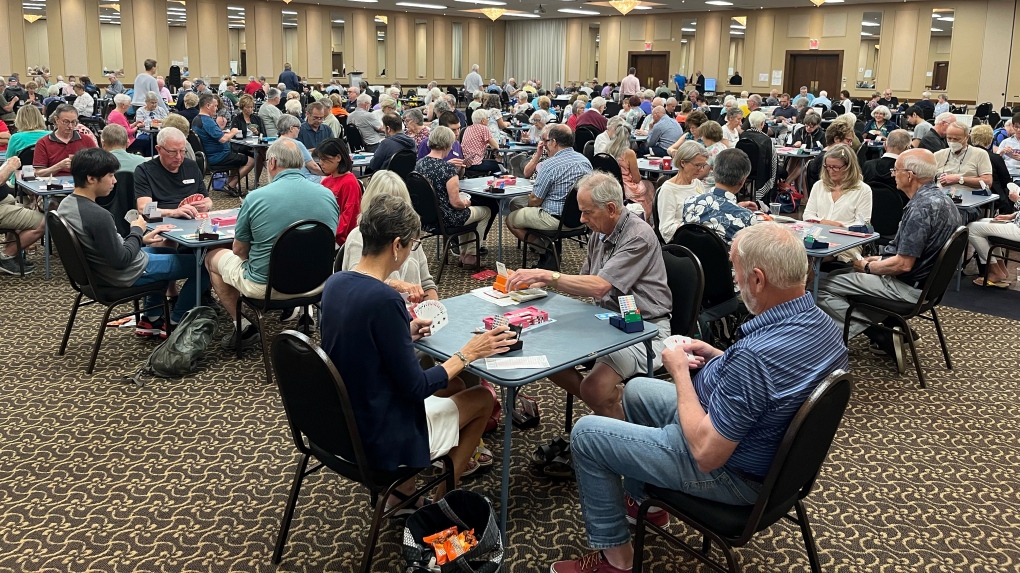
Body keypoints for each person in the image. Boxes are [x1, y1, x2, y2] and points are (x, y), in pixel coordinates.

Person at [548, 221, 849, 573]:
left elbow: (706, 454)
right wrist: (721, 357)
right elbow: (777, 385)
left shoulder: (757, 357)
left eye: (737, 274)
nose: (736, 283)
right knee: (636, 390)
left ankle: (616, 560)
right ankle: (647, 502)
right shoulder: (823, 325)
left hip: (731, 473)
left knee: (586, 435)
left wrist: (679, 371)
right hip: (768, 456)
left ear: (757, 279)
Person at [321, 193, 513, 501]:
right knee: (481, 398)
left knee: (455, 386)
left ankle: (405, 493)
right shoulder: (385, 300)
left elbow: (354, 346)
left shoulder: (335, 283)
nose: (412, 252)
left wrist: (403, 335)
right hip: (382, 433)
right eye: (414, 244)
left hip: (341, 423)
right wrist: (469, 353)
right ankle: (439, 502)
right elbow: (416, 387)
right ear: (397, 245)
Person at [509, 172, 671, 423]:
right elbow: (584, 282)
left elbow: (599, 287)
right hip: (607, 320)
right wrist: (541, 283)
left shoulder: (638, 235)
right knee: (544, 354)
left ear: (610, 208)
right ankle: (614, 402)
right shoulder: (601, 231)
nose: (582, 219)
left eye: (587, 212)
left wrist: (548, 275)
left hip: (645, 329)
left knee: (594, 388)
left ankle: (622, 427)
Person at [817, 148, 961, 362]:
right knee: (843, 276)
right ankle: (883, 330)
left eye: (896, 169)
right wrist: (881, 259)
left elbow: (903, 265)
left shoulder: (920, 209)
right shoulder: (943, 200)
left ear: (909, 175)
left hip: (907, 287)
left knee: (819, 286)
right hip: (928, 287)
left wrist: (868, 267)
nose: (893, 173)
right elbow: (910, 255)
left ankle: (878, 333)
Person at [56, 148, 208, 336]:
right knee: (204, 266)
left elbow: (107, 248)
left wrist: (141, 239)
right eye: (110, 175)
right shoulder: (98, 216)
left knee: (169, 253)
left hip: (98, 272)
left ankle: (150, 319)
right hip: (122, 273)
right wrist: (137, 230)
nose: (115, 180)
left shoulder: (67, 204)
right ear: (91, 179)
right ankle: (177, 321)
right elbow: (121, 260)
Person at [205, 139, 340, 349]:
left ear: (272, 162)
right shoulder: (328, 194)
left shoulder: (256, 198)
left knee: (212, 256)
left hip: (266, 287)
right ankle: (306, 311)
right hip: (319, 284)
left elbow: (239, 251)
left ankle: (242, 326)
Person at [507, 124, 591, 268]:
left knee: (511, 219)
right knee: (517, 203)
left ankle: (546, 251)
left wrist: (530, 205)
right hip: (581, 219)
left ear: (554, 142)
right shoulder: (585, 161)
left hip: (554, 219)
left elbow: (535, 200)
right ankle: (548, 246)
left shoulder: (549, 165)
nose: (545, 145)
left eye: (546, 142)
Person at [414, 127, 490, 266]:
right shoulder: (447, 169)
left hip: (426, 218)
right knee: (485, 211)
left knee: (465, 213)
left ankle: (464, 253)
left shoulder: (419, 165)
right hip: (447, 219)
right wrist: (467, 203)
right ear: (448, 144)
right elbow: (456, 203)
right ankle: (471, 255)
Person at [804, 145, 874, 260]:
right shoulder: (819, 185)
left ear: (849, 167)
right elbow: (807, 215)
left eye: (836, 167)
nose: (831, 171)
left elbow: (863, 224)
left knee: (813, 259)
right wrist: (824, 222)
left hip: (849, 242)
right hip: (817, 237)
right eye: (828, 166)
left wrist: (839, 227)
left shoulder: (863, 190)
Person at [682, 148, 757, 243]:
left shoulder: (690, 202)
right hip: (724, 258)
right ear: (743, 180)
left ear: (713, 171)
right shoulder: (747, 218)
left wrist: (736, 207)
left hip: (689, 256)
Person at [134, 128, 209, 218]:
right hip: (161, 222)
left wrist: (206, 206)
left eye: (182, 151)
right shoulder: (144, 171)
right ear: (159, 149)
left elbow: (207, 200)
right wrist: (173, 213)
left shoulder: (191, 166)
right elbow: (144, 210)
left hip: (192, 219)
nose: (178, 157)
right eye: (172, 152)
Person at [193, 93, 254, 191]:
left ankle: (228, 184)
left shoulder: (196, 119)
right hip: (218, 157)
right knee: (251, 161)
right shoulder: (207, 121)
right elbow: (223, 139)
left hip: (209, 155)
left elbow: (213, 135)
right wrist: (233, 132)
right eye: (215, 106)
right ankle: (231, 185)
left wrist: (224, 132)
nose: (217, 109)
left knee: (236, 156)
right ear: (208, 106)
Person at [0, 156, 45, 275]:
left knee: (24, 209)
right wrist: (9, 167)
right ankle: (6, 256)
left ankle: (11, 254)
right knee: (45, 222)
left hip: (4, 201)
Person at [657, 141, 709, 243]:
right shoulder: (668, 190)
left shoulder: (697, 183)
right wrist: (691, 225)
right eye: (698, 165)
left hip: (699, 234)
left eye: (703, 165)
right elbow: (666, 229)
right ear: (683, 163)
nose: (702, 170)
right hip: (683, 240)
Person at [315, 137, 361, 245]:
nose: (321, 163)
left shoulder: (350, 183)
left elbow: (350, 216)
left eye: (324, 159)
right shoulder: (326, 181)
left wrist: (329, 232)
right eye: (320, 159)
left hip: (339, 239)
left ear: (338, 157)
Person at [605, 121, 653, 219]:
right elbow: (636, 179)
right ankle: (645, 218)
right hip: (626, 188)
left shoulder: (607, 150)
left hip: (610, 185)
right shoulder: (629, 153)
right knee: (650, 185)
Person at [33, 105, 97, 177]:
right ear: (56, 120)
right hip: (54, 184)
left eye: (73, 122)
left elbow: (97, 165)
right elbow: (38, 173)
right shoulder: (43, 143)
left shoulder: (86, 140)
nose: (70, 126)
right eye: (66, 122)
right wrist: (59, 166)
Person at [933, 121, 993, 194]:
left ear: (967, 137)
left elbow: (988, 182)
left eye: (956, 139)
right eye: (949, 138)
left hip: (970, 199)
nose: (952, 142)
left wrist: (960, 179)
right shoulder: (938, 155)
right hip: (941, 197)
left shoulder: (980, 154)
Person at [276, 114, 325, 182]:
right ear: (291, 128)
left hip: (283, 179)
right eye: (298, 128)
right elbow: (313, 167)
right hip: (304, 179)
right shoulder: (297, 144)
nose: (299, 130)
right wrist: (327, 174)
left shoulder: (275, 144)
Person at [462, 109, 500, 174]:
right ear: (483, 121)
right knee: (499, 165)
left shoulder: (468, 128)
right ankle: (494, 182)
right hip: (476, 163)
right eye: (488, 118)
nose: (488, 120)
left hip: (466, 162)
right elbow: (496, 146)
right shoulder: (483, 128)